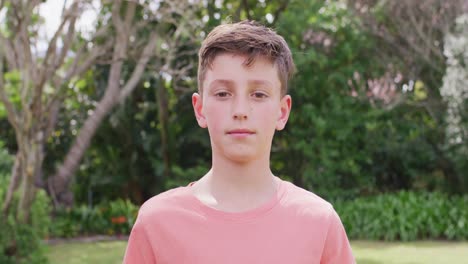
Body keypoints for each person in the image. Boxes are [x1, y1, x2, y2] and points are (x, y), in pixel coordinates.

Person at [123, 20, 355, 264]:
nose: (241, 110)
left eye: (258, 94)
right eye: (223, 94)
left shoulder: (319, 222)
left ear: (282, 111)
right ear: (200, 109)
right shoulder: (157, 222)